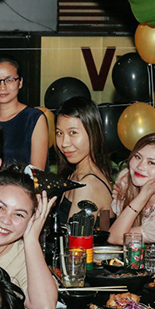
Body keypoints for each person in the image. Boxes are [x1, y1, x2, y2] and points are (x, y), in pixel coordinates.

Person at [0, 169, 60, 309]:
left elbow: (45, 306)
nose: (6, 220)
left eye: (19, 215)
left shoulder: (24, 254)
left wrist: (31, 240)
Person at [108, 133, 155, 245]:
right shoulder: (126, 182)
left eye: (151, 163)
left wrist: (143, 196)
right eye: (137, 157)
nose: (140, 166)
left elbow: (114, 238)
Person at [53, 97, 112, 229]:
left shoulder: (88, 185)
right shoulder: (75, 174)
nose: (64, 143)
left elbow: (76, 240)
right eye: (59, 133)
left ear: (93, 132)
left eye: (73, 133)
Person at [0, 56, 48, 169]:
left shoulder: (33, 118)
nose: (2, 87)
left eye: (9, 80)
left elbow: (37, 172)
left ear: (20, 82)